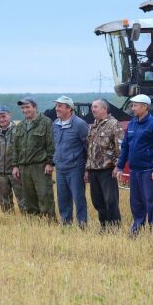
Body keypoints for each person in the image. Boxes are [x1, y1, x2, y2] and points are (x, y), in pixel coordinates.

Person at [117, 94, 153, 236]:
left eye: (135, 105)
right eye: (132, 105)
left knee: (151, 201)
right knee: (136, 202)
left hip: (148, 170)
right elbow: (125, 146)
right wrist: (120, 166)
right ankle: (137, 227)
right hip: (134, 170)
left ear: (145, 107)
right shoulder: (132, 124)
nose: (133, 108)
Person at [12, 97, 56, 219]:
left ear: (35, 107)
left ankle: (49, 222)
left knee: (44, 196)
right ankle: (34, 223)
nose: (25, 110)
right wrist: (15, 165)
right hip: (24, 167)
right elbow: (15, 148)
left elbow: (51, 144)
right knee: (29, 197)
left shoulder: (46, 122)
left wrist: (50, 163)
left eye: (27, 107)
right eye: (23, 108)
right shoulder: (20, 126)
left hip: (40, 166)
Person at [85, 99, 123, 231]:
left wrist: (118, 166)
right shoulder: (93, 126)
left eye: (95, 107)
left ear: (104, 109)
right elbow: (89, 149)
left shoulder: (114, 124)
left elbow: (120, 147)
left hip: (108, 169)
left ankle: (114, 227)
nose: (92, 109)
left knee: (110, 200)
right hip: (93, 169)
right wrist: (87, 169)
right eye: (92, 107)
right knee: (97, 201)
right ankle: (104, 226)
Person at [53, 95, 89, 227]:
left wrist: (86, 169)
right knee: (62, 199)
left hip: (75, 168)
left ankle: (82, 225)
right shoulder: (55, 124)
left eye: (60, 106)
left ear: (69, 108)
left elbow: (88, 147)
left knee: (78, 198)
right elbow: (55, 145)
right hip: (60, 168)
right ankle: (66, 224)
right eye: (57, 106)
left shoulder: (80, 124)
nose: (57, 109)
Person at [0, 105, 26, 214]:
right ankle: (9, 222)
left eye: (4, 116)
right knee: (4, 202)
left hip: (16, 173)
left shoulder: (19, 131)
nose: (1, 119)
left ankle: (27, 222)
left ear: (10, 115)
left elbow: (23, 152)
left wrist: (18, 167)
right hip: (0, 174)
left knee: (23, 200)